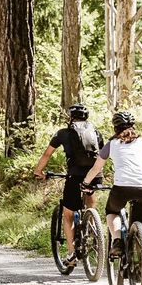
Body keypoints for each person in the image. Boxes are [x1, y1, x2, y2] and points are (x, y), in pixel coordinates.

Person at [32, 104, 104, 260]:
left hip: (75, 176)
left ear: (70, 118)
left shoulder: (63, 133)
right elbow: (102, 155)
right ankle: (92, 223)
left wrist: (38, 172)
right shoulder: (95, 132)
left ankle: (71, 253)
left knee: (67, 213)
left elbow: (47, 155)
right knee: (90, 198)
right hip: (95, 175)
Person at [80, 110, 142, 257]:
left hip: (122, 187)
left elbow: (96, 168)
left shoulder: (112, 144)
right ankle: (140, 258)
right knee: (141, 223)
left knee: (112, 211)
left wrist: (85, 183)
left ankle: (117, 242)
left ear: (115, 127)